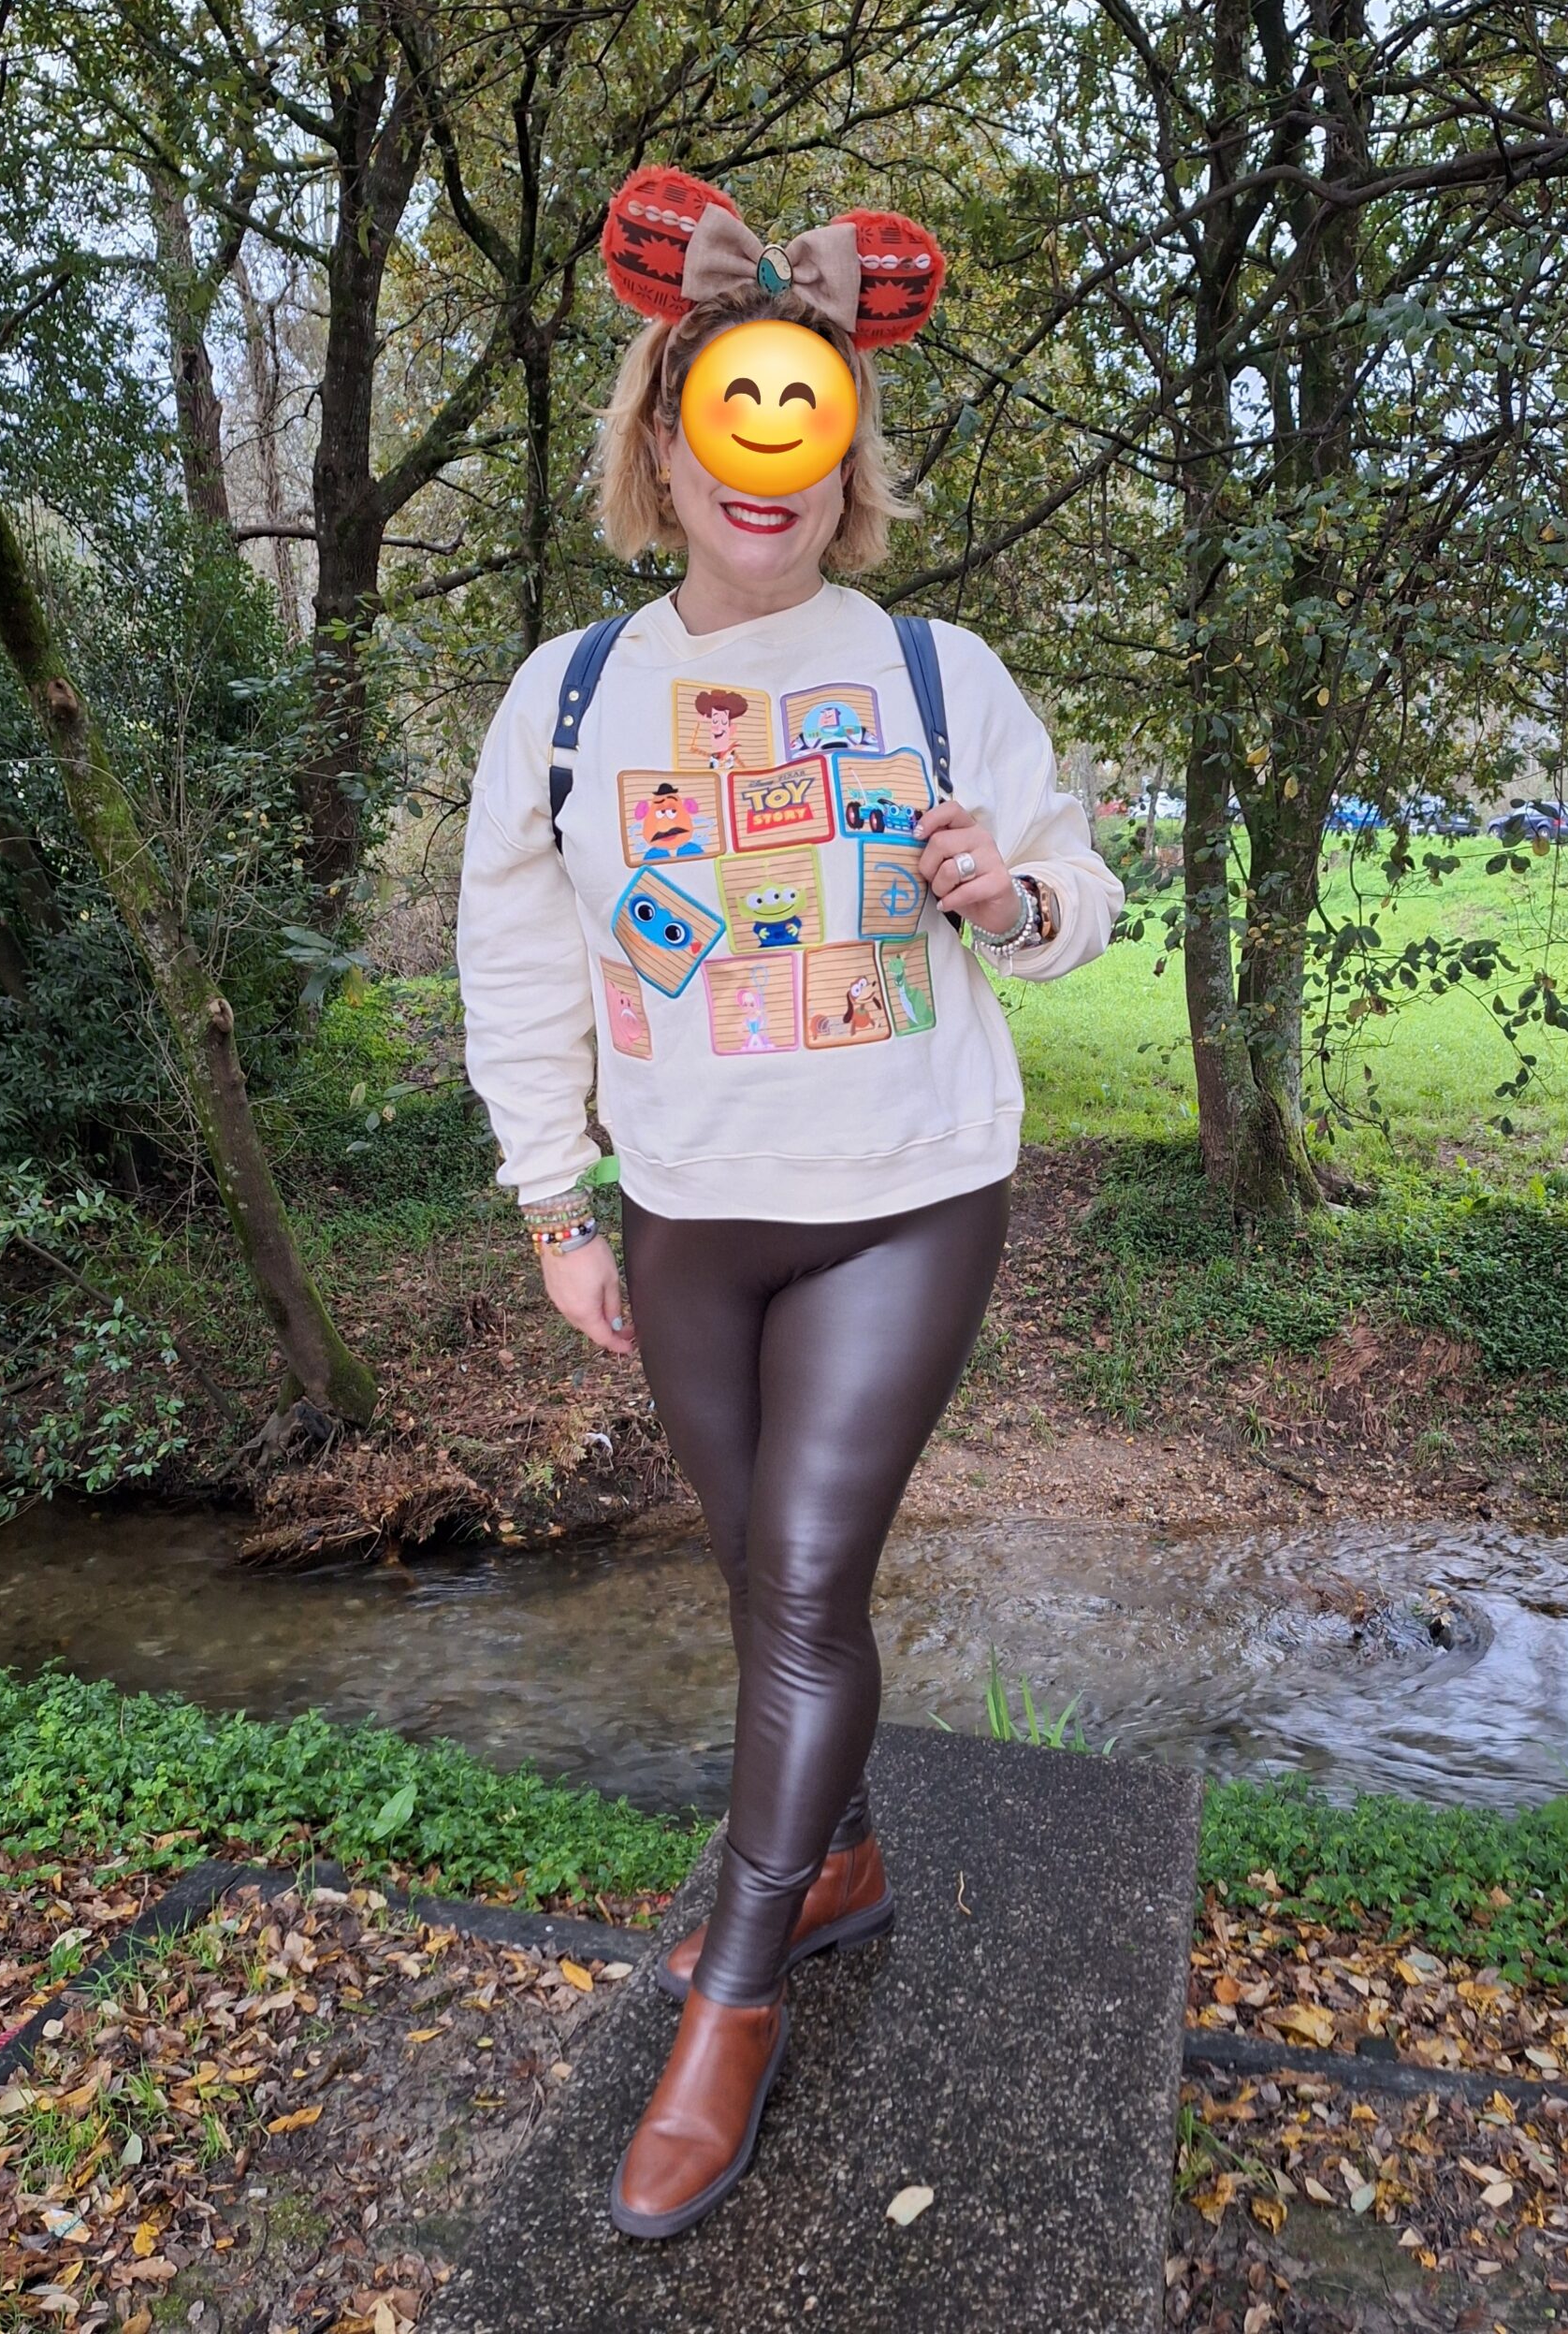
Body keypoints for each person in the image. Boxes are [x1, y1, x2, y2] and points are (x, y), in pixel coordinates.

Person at [456, 165, 1124, 2242]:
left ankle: (730, 2002)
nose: (768, 466)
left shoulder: (935, 672)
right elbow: (519, 967)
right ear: (663, 446)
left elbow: (1077, 893)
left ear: (844, 466)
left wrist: (1010, 893)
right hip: (685, 1220)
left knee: (812, 1584)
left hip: (906, 1197)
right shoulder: (571, 697)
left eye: (807, 431)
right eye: (727, 421)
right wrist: (557, 1210)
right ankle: (837, 1863)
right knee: (763, 1586)